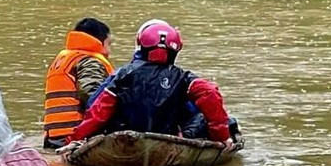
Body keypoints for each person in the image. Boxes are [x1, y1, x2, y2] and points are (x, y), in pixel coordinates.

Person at [65, 20, 238, 147]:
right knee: (221, 119)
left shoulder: (123, 74)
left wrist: (74, 139)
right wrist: (221, 137)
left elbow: (97, 112)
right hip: (169, 137)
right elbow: (210, 95)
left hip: (123, 136)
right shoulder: (182, 77)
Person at [42, 17, 115, 148]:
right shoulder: (89, 61)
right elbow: (92, 96)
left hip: (54, 137)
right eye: (109, 44)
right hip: (73, 136)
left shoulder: (65, 58)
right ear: (100, 41)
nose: (109, 51)